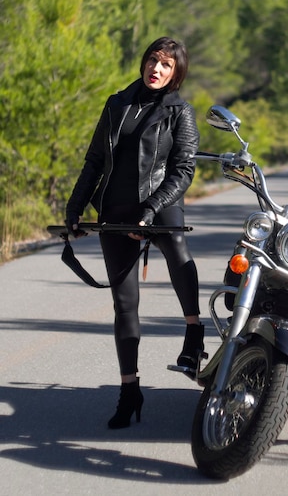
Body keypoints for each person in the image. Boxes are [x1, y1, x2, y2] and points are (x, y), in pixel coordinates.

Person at [65, 36, 203, 429]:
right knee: (124, 305)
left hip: (160, 203)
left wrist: (152, 209)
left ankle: (193, 330)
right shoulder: (117, 104)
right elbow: (94, 161)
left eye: (166, 65)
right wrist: (75, 208)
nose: (156, 69)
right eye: (153, 60)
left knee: (177, 247)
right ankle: (130, 390)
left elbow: (183, 170)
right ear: (144, 62)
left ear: (176, 73)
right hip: (116, 210)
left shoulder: (180, 112)